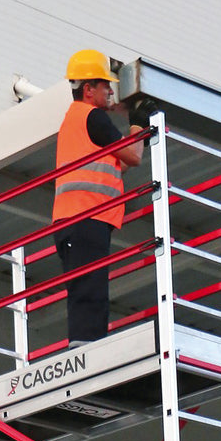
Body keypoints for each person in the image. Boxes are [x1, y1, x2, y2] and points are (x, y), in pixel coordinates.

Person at [52, 49, 146, 344]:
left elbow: (117, 165)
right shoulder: (92, 117)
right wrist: (138, 123)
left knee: (87, 288)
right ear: (88, 89)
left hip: (76, 220)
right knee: (90, 290)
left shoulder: (75, 122)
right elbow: (134, 156)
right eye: (105, 85)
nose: (110, 91)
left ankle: (87, 344)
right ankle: (87, 348)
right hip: (85, 217)